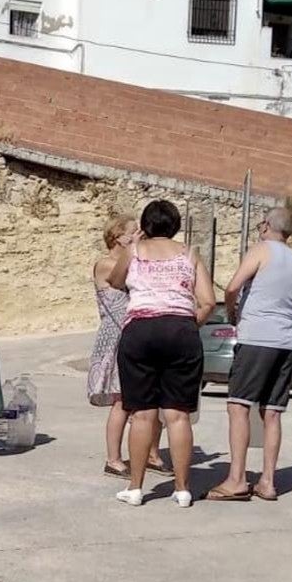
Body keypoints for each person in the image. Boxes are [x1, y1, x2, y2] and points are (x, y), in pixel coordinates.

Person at [108, 199, 216, 507]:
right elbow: (207, 302)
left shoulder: (134, 251)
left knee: (142, 413)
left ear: (145, 225)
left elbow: (115, 281)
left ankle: (135, 487)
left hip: (140, 330)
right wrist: (185, 322)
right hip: (180, 329)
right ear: (176, 225)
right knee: (177, 414)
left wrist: (136, 247)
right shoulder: (190, 254)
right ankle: (182, 489)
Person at [207, 207, 292, 502]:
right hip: (285, 340)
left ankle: (236, 479)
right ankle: (268, 481)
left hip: (257, 336)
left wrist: (233, 311)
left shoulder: (261, 250)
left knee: (238, 406)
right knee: (272, 412)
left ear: (265, 226)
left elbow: (234, 286)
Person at [89, 214, 168, 478]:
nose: (139, 235)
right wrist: (136, 249)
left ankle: (151, 453)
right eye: (133, 232)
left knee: (152, 397)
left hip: (138, 332)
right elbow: (118, 280)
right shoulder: (105, 264)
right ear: (117, 237)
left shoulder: (134, 260)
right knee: (122, 399)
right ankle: (113, 458)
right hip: (117, 336)